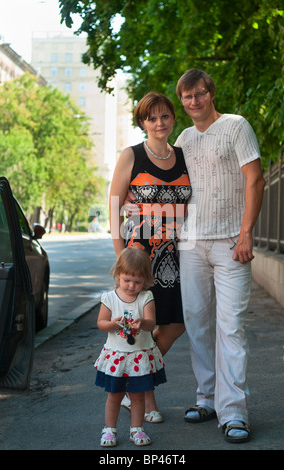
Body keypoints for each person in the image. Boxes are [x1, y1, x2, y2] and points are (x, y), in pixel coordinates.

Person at [174, 68, 265, 443]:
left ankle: (234, 412)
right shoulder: (182, 138)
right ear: (182, 101)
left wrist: (246, 234)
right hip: (191, 243)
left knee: (231, 327)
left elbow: (255, 179)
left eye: (199, 93)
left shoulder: (236, 126)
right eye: (186, 96)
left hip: (231, 243)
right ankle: (206, 398)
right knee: (197, 324)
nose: (193, 101)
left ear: (211, 93)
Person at [109, 92, 192, 421]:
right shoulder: (132, 155)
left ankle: (133, 385)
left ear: (173, 119)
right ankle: (147, 399)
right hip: (139, 256)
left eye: (164, 116)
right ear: (142, 122)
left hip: (176, 255)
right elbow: (115, 208)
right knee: (142, 327)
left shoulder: (185, 157)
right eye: (151, 118)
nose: (159, 123)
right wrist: (121, 261)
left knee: (176, 324)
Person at [94, 246, 166, 447]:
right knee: (114, 396)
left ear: (146, 280)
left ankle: (137, 429)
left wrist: (142, 323)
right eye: (127, 280)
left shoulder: (146, 297)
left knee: (137, 396)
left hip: (138, 357)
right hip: (117, 357)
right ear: (118, 275)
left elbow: (152, 323)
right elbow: (101, 324)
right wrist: (114, 323)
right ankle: (109, 429)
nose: (132, 286)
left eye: (138, 282)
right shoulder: (109, 298)